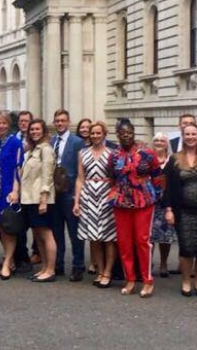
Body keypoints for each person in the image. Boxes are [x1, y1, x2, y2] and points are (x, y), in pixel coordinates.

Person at [107, 121, 163, 298]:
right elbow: (111, 177)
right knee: (124, 242)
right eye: (123, 133)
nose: (126, 136)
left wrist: (156, 195)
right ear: (117, 134)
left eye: (129, 133)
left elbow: (159, 176)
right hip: (121, 202)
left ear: (133, 133)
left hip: (143, 202)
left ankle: (147, 281)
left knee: (142, 241)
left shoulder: (147, 153)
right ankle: (130, 278)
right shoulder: (114, 155)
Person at [162, 124, 197, 298]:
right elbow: (169, 187)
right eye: (187, 134)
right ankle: (186, 280)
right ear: (183, 136)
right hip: (183, 212)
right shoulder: (175, 159)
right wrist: (168, 209)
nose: (191, 137)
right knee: (186, 248)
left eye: (194, 134)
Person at [10, 118, 57, 282]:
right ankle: (44, 267)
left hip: (40, 198)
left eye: (38, 129)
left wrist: (44, 198)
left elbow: (47, 175)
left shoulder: (46, 150)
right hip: (28, 198)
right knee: (37, 235)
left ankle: (50, 270)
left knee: (46, 233)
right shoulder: (31, 150)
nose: (34, 132)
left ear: (44, 131)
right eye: (32, 130)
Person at [73, 121, 116, 288]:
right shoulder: (83, 153)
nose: (95, 136)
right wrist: (77, 201)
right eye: (93, 133)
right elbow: (80, 178)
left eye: (98, 133)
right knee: (94, 236)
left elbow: (115, 178)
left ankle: (108, 271)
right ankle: (99, 270)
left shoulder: (112, 153)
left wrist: (113, 196)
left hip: (107, 194)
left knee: (109, 237)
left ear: (104, 134)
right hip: (89, 194)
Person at [51, 109, 86, 281]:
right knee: (57, 231)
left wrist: (77, 196)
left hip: (70, 193)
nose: (59, 123)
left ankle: (78, 265)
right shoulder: (51, 141)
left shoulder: (77, 142)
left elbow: (81, 171)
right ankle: (58, 264)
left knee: (74, 232)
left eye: (63, 120)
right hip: (54, 193)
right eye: (57, 120)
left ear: (68, 122)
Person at [0, 112, 24, 273]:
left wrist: (16, 191)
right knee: (0, 227)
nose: (0, 126)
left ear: (8, 125)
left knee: (7, 226)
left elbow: (18, 168)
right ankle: (9, 259)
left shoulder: (15, 142)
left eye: (3, 123)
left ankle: (7, 262)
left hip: (8, 190)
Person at [150, 132, 177, 278]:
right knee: (150, 235)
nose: (159, 143)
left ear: (167, 144)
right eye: (157, 140)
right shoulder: (147, 158)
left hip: (166, 203)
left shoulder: (171, 161)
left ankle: (164, 263)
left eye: (162, 140)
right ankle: (148, 262)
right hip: (150, 202)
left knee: (165, 236)